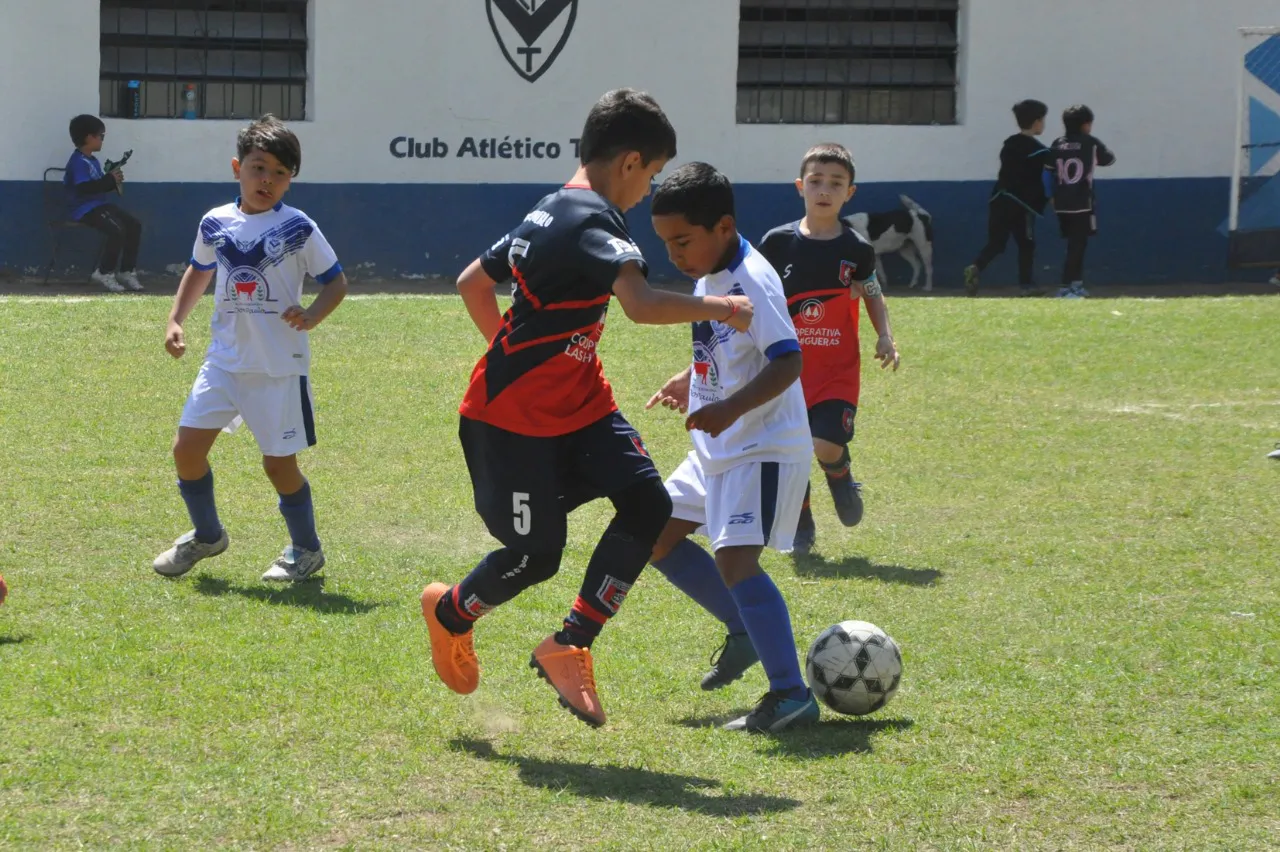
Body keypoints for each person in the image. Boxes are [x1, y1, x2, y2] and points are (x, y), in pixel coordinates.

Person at [419, 89, 754, 729]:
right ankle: (452, 612)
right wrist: (722, 308)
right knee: (536, 556)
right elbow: (642, 304)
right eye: (652, 176)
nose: (648, 191)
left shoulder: (550, 208)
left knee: (649, 503)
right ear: (630, 161)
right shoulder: (594, 221)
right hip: (511, 424)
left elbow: (471, 281)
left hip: (583, 406)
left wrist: (515, 351)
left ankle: (570, 643)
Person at [647, 161, 819, 733]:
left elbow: (788, 359)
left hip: (760, 446)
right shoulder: (711, 272)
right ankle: (743, 626)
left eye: (682, 241)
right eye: (665, 243)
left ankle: (791, 693)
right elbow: (726, 343)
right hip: (717, 446)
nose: (674, 255)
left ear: (722, 226)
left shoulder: (752, 279)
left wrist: (727, 408)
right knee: (657, 536)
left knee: (735, 558)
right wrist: (690, 377)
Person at [152, 115, 348, 583]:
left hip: (278, 367)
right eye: (259, 168)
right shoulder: (215, 221)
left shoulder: (298, 227)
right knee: (187, 450)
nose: (268, 180)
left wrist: (313, 314)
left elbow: (335, 282)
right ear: (238, 167)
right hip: (223, 362)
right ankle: (207, 535)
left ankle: (306, 549)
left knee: (279, 467)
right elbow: (200, 270)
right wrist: (176, 319)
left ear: (290, 181)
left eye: (281, 173)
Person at [758, 142, 899, 556]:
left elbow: (872, 291)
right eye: (816, 181)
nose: (824, 190)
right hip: (786, 368)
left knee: (823, 446)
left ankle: (840, 476)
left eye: (835, 183)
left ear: (849, 193)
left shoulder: (856, 250)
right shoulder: (777, 242)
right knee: (793, 447)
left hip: (838, 369)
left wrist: (885, 334)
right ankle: (802, 522)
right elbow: (756, 293)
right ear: (801, 186)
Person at [964, 100, 1053, 297]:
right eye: (1043, 120)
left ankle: (976, 266)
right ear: (1037, 121)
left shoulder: (1009, 144)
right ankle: (1026, 286)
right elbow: (1046, 178)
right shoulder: (1040, 152)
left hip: (999, 199)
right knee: (1026, 244)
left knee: (996, 243)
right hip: (1022, 205)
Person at [64, 114, 144, 292]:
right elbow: (84, 188)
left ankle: (126, 270)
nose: (102, 140)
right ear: (89, 137)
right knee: (116, 230)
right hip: (84, 209)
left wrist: (112, 181)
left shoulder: (92, 160)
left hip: (99, 205)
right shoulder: (78, 162)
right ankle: (104, 272)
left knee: (134, 225)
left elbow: (98, 186)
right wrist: (108, 180)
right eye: (101, 136)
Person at [1049, 104, 1116, 298]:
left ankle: (1075, 283)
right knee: (1078, 244)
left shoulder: (1057, 143)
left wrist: (1050, 196)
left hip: (1061, 202)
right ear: (1086, 125)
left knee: (1074, 243)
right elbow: (1108, 159)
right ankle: (1066, 286)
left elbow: (1048, 169)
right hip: (1081, 201)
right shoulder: (1090, 143)